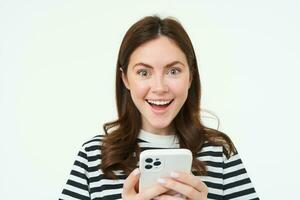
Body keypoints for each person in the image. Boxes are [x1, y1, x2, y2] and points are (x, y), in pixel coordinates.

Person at [59, 16, 259, 200]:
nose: (159, 88)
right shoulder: (93, 155)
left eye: (173, 71)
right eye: (143, 72)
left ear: (190, 77)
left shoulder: (219, 153)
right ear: (125, 79)